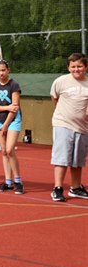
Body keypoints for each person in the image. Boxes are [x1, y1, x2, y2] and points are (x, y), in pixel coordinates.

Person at [49, 53, 88, 202]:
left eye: (79, 66)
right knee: (62, 157)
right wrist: (64, 113)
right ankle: (58, 188)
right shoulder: (61, 82)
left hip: (82, 127)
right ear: (68, 67)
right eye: (73, 67)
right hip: (62, 123)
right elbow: (55, 98)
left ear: (85, 67)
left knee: (78, 160)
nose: (76, 69)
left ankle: (76, 187)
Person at [0, 59, 24, 194]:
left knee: (10, 150)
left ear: (8, 70)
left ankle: (18, 181)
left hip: (13, 120)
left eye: (3, 70)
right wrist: (7, 107)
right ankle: (8, 182)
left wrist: (5, 124)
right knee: (4, 151)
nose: (1, 73)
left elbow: (14, 108)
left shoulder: (14, 85)